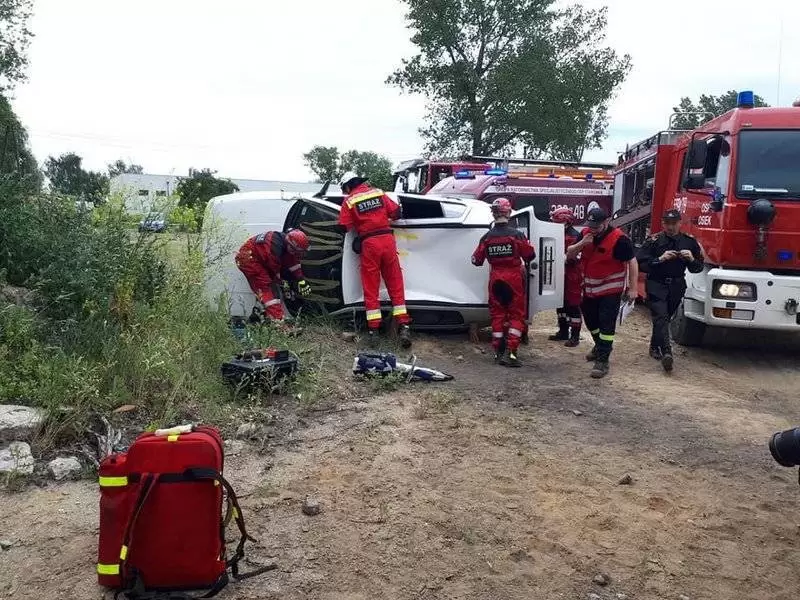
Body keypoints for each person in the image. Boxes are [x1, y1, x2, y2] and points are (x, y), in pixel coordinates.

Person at [338, 171, 412, 348]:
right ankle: (404, 326)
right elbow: (397, 213)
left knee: (371, 287)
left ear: (348, 186)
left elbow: (343, 227)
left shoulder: (349, 201)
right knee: (395, 284)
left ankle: (374, 331)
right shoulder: (378, 193)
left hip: (370, 245)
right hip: (387, 241)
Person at [566, 207, 638, 379]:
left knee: (606, 325)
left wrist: (633, 288)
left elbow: (632, 262)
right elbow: (570, 254)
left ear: (606, 222)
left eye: (596, 226)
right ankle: (599, 346)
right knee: (591, 322)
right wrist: (582, 243)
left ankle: (603, 360)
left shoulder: (619, 239)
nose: (593, 229)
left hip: (610, 289)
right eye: (591, 226)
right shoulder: (585, 234)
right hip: (589, 289)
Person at [636, 209, 704, 372]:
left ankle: (655, 345)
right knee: (661, 316)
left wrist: (691, 259)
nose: (671, 227)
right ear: (663, 224)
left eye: (674, 223)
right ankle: (667, 352)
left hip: (676, 285)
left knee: (664, 319)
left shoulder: (689, 242)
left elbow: (698, 268)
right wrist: (660, 259)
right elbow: (640, 264)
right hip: (656, 284)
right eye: (667, 223)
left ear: (680, 223)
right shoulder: (654, 241)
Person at [471, 198, 536, 367]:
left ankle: (498, 352)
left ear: (493, 214)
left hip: (495, 279)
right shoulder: (517, 235)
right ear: (508, 213)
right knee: (516, 315)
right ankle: (511, 353)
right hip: (513, 278)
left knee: (497, 315)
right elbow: (530, 255)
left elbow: (476, 260)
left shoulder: (486, 237)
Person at [235, 228, 311, 325]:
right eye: (296, 251)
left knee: (266, 291)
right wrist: (286, 286)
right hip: (248, 260)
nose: (297, 254)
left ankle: (256, 319)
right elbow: (276, 274)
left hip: (257, 258)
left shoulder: (286, 244)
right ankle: (279, 324)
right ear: (291, 245)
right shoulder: (274, 249)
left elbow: (293, 261)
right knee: (269, 291)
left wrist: (301, 279)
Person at [548, 207, 583, 347]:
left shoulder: (575, 237)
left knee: (573, 306)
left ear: (566, 222)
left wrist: (561, 258)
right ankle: (563, 331)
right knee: (560, 304)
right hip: (561, 274)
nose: (554, 225)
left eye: (556, 222)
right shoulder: (560, 234)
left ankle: (575, 336)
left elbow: (575, 258)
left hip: (572, 275)